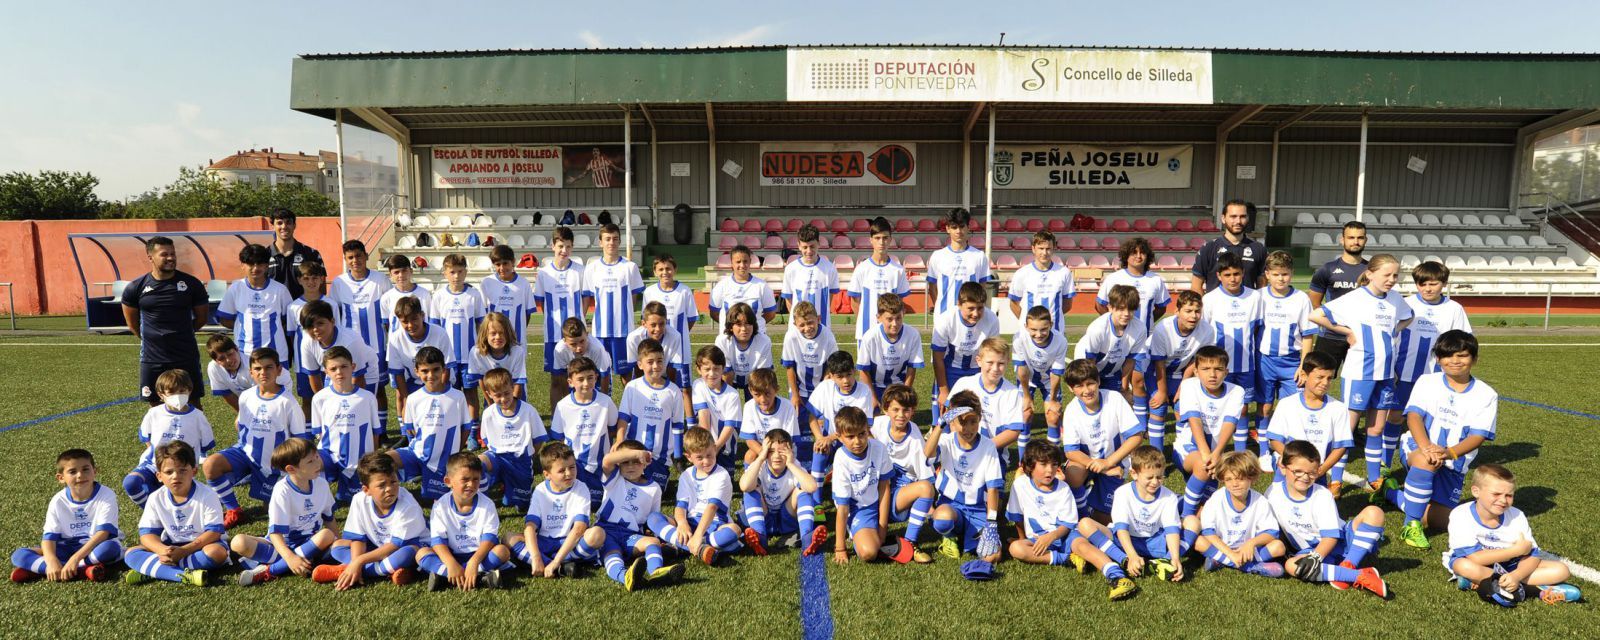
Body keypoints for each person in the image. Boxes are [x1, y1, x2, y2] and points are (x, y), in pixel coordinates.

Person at [1308, 254, 1414, 491]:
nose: (1391, 280)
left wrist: (1393, 331)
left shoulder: (1395, 298)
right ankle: (1335, 480)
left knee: (1376, 429)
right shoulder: (1355, 298)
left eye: (1395, 275)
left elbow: (1410, 316)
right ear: (1370, 273)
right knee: (1348, 428)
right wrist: (1345, 331)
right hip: (1360, 372)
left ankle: (1375, 479)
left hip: (1385, 374)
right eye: (1386, 275)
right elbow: (1315, 315)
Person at [1384, 330, 1497, 551]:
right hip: (1419, 448)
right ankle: (1411, 526)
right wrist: (1427, 448)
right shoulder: (1428, 382)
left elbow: (1478, 436)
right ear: (1438, 359)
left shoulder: (1486, 394)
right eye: (1448, 356)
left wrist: (1448, 453)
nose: (1455, 361)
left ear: (1474, 359)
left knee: (1444, 520)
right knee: (1427, 463)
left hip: (1453, 460)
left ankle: (1390, 493)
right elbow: (1414, 416)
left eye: (1462, 356)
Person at [1006, 440, 1139, 600]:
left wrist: (1052, 537)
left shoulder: (1063, 489)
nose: (1050, 470)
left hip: (1064, 536)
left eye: (1054, 465)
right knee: (1016, 549)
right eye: (1043, 465)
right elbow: (1017, 517)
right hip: (1037, 540)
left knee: (1081, 544)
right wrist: (1022, 539)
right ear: (1029, 466)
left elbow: (1067, 525)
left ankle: (1117, 576)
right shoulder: (1019, 485)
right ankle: (1068, 559)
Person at [1445, 464, 1581, 606]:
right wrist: (1516, 551)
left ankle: (1478, 582)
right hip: (1478, 564)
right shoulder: (1461, 514)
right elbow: (1476, 558)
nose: (1503, 500)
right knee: (1463, 566)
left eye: (1509, 495)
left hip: (1512, 567)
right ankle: (1535, 590)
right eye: (1496, 494)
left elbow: (1532, 556)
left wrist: (1517, 575)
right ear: (1476, 491)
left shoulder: (1517, 515)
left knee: (1562, 570)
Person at [1268, 440, 1389, 597]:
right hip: (1310, 549)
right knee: (1291, 565)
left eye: (1312, 473)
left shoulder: (1322, 495)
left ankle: (1349, 565)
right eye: (1298, 471)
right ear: (1283, 468)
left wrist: (1316, 558)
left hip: (1343, 543)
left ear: (1318, 471)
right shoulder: (1272, 493)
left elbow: (1331, 537)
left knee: (1375, 512)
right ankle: (1358, 575)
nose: (1305, 477)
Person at [509, 442, 638, 589]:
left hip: (571, 544)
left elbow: (579, 529)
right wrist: (536, 556)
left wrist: (557, 560)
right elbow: (530, 527)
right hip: (545, 542)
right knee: (509, 538)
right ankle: (558, 566)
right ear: (547, 475)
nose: (569, 473)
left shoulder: (581, 488)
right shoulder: (540, 490)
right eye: (561, 470)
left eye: (572, 467)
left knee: (597, 534)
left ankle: (556, 564)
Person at [204, 347, 307, 528]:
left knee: (274, 510)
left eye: (268, 368)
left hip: (273, 464)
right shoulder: (246, 396)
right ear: (251, 372)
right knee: (211, 465)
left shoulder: (287, 402)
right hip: (245, 453)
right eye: (258, 369)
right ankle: (234, 510)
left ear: (279, 369)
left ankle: (270, 487)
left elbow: (299, 440)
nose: (263, 372)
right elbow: (243, 427)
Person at [232, 437, 337, 585]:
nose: (318, 463)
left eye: (317, 457)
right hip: (281, 546)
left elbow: (329, 518)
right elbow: (275, 534)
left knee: (327, 535)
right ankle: (296, 562)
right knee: (238, 542)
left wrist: (339, 542)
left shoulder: (322, 484)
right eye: (310, 461)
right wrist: (290, 558)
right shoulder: (282, 490)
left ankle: (269, 571)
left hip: (311, 542)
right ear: (291, 469)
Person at [122, 441, 227, 586]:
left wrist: (183, 551)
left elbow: (214, 533)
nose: (176, 476)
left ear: (194, 471)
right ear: (159, 476)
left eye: (182, 470)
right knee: (130, 553)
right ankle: (183, 575)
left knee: (217, 553)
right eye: (169, 472)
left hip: (201, 546)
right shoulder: (155, 498)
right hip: (170, 546)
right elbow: (147, 535)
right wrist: (162, 550)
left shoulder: (207, 495)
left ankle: (156, 570)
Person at [1389, 260, 1474, 440]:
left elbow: (1462, 341)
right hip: (1404, 373)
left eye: (1433, 284)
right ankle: (1385, 462)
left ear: (1444, 283)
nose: (1427, 288)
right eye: (1422, 284)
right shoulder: (1406, 304)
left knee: (1432, 418)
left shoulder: (1454, 309)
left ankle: (1428, 454)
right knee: (1395, 416)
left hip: (1437, 375)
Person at [9, 449, 122, 583]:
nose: (80, 475)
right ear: (61, 478)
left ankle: (44, 571)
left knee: (110, 548)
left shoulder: (106, 495)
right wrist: (51, 561)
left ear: (94, 471)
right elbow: (49, 538)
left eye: (85, 469)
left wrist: (75, 559)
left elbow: (103, 534)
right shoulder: (58, 500)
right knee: (19, 555)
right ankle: (82, 570)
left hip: (95, 546)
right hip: (66, 548)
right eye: (72, 472)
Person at [313, 452, 424, 589]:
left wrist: (358, 562)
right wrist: (356, 562)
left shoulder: (408, 505)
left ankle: (345, 571)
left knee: (408, 552)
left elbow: (394, 546)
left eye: (394, 482)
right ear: (366, 490)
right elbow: (358, 539)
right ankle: (382, 570)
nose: (389, 489)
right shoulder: (359, 500)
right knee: (338, 546)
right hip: (377, 548)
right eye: (382, 485)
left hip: (404, 549)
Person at [122, 236, 209, 408]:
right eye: (164, 254)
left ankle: (196, 435)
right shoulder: (135, 287)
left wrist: (180, 334)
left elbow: (201, 319)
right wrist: (153, 339)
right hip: (152, 357)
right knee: (155, 404)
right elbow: (133, 324)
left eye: (173, 253)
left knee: (192, 403)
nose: (171, 258)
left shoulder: (191, 284)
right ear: (150, 257)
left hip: (185, 355)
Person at [1059, 359, 1143, 520]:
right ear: (1071, 388)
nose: (1086, 390)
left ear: (1098, 381)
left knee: (1104, 519)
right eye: (1079, 386)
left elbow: (1136, 437)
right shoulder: (1072, 410)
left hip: (1114, 462)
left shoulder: (1115, 398)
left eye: (1090, 383)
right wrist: (1102, 467)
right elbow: (1070, 451)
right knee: (1073, 474)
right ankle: (1082, 516)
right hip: (1087, 463)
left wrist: (1108, 463)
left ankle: (1091, 504)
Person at [924, 391, 1003, 561]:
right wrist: (940, 424)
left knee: (993, 556)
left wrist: (992, 522)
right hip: (952, 505)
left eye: (972, 422)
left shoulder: (988, 446)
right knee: (942, 518)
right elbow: (928, 453)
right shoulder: (946, 441)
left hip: (978, 510)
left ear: (980, 418)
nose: (968, 429)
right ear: (952, 421)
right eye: (962, 422)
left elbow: (993, 489)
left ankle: (970, 535)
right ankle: (949, 535)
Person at [416, 452, 512, 591]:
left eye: (476, 479)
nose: (471, 484)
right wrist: (451, 563)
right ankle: (480, 578)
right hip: (451, 555)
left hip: (480, 556)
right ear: (449, 482)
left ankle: (445, 577)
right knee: (421, 554)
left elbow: (489, 539)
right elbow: (438, 542)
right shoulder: (440, 506)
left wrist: (474, 562)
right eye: (465, 479)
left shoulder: (487, 504)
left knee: (502, 551)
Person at [649, 427, 746, 565]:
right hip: (690, 523)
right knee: (653, 518)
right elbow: (680, 506)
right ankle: (701, 549)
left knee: (734, 530)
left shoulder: (721, 475)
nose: (706, 461)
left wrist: (698, 535)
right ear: (689, 457)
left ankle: (681, 546)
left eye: (709, 455)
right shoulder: (686, 475)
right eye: (699, 457)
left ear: (714, 448)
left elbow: (712, 508)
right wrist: (682, 523)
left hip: (714, 524)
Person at [596, 440, 686, 587]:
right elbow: (607, 460)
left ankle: (657, 572)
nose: (631, 466)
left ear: (645, 463)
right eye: (625, 462)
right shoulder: (614, 479)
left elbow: (653, 518)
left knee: (653, 542)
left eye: (636, 461)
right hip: (606, 530)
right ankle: (625, 576)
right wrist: (638, 454)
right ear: (619, 463)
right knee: (613, 554)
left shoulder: (654, 488)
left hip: (631, 535)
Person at [824, 407, 907, 565]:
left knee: (923, 489)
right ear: (840, 437)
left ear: (867, 430)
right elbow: (842, 508)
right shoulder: (841, 459)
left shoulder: (878, 448)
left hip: (881, 501)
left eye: (862, 434)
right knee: (868, 553)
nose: (857, 441)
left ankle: (911, 539)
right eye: (850, 437)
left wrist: (883, 528)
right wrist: (840, 548)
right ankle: (858, 532)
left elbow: (884, 487)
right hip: (860, 510)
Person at [388, 346, 472, 501]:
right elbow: (410, 430)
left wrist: (455, 453)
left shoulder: (457, 397)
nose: (430, 375)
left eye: (435, 370)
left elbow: (465, 428)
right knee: (382, 462)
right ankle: (393, 495)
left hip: (443, 461)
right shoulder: (413, 398)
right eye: (425, 371)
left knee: (439, 502)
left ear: (444, 370)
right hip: (417, 454)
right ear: (417, 371)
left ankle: (431, 480)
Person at [1201, 252, 1264, 454]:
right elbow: (1205, 332)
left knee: (1243, 408)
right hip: (1218, 367)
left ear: (1243, 273)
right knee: (1215, 406)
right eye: (1227, 275)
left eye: (1236, 274)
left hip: (1246, 364)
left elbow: (1257, 329)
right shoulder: (1210, 299)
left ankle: (1239, 452)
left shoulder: (1254, 297)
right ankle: (1211, 448)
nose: (1233, 279)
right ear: (1219, 276)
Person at [124, 369, 215, 507]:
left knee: (177, 504)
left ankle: (166, 514)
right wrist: (159, 458)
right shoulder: (154, 413)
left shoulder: (198, 416)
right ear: (161, 395)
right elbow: (146, 437)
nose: (178, 396)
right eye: (172, 392)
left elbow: (206, 445)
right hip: (153, 464)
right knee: (131, 483)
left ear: (189, 391)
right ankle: (152, 511)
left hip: (181, 468)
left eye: (182, 391)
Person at [1255, 250, 1314, 463]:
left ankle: (1289, 449)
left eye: (1285, 274)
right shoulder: (1259, 297)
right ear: (1267, 274)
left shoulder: (1301, 299)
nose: (1281, 279)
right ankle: (1263, 450)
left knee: (1293, 406)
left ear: (1292, 274)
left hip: (1292, 362)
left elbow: (1307, 335)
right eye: (1276, 274)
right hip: (1264, 361)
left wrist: (1304, 365)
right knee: (1265, 405)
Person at [1174, 346, 1246, 518]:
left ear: (1226, 372)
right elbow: (1194, 420)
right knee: (1203, 467)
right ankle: (1185, 518)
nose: (1212, 374)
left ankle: (1176, 503)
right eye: (1206, 369)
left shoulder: (1237, 391)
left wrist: (1217, 454)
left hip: (1214, 453)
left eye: (1218, 369)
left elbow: (1230, 423)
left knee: (1206, 509)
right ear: (1196, 372)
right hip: (1187, 449)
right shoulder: (1188, 385)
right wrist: (1207, 455)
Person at [1187, 450, 1284, 577]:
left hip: (1247, 550)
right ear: (1222, 480)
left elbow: (1272, 533)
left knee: (1279, 546)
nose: (1234, 484)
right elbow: (1208, 532)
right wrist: (1230, 554)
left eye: (1240, 479)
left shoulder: (1260, 501)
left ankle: (1220, 561)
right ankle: (1250, 567)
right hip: (1222, 547)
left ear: (1251, 478)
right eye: (1229, 479)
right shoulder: (1216, 498)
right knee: (1199, 542)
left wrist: (1251, 543)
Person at [1263, 352, 1352, 490]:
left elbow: (1341, 446)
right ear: (1304, 375)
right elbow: (1274, 440)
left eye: (1329, 378)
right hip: (1288, 470)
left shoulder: (1338, 408)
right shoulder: (1287, 404)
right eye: (1320, 377)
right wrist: (1291, 462)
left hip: (1317, 472)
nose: (1325, 383)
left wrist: (1321, 470)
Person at [329, 239, 394, 430]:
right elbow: (335, 312)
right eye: (350, 257)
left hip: (376, 345)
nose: (355, 260)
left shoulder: (380, 280)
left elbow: (389, 309)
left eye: (358, 256)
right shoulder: (340, 282)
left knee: (379, 388)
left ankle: (380, 431)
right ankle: (356, 425)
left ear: (366, 256)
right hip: (349, 347)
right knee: (351, 387)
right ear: (345, 259)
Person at [870, 384, 936, 563]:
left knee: (926, 488)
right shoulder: (877, 424)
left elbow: (927, 479)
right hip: (875, 487)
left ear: (913, 411)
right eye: (895, 409)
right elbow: (857, 428)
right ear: (885, 410)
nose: (900, 415)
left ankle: (910, 543)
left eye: (906, 410)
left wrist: (930, 507)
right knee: (867, 546)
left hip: (898, 492)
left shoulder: (914, 438)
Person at [1140, 290, 1212, 452]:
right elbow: (1158, 363)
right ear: (1177, 311)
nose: (1193, 316)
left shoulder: (1207, 330)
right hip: (1156, 372)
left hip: (1182, 373)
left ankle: (1182, 452)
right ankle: (1156, 455)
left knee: (1184, 408)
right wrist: (1162, 392)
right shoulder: (1163, 329)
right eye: (1188, 311)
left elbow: (1195, 361)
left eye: (1197, 311)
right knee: (1159, 408)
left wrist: (1183, 388)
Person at [217, 243, 293, 393]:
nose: (255, 268)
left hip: (276, 353)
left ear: (266, 266)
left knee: (279, 395)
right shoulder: (236, 288)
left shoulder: (280, 290)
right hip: (245, 355)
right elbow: (224, 317)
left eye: (260, 263)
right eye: (250, 263)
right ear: (242, 266)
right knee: (249, 397)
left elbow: (288, 320)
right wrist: (244, 327)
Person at [311, 346, 382, 503]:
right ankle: (316, 497)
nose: (339, 372)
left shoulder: (367, 398)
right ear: (326, 372)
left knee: (358, 499)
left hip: (359, 459)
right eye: (333, 368)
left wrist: (373, 459)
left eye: (344, 366)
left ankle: (350, 483)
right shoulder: (320, 398)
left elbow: (375, 432)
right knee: (307, 465)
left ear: (353, 367)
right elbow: (319, 433)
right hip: (329, 455)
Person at [806, 350, 877, 504]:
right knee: (819, 450)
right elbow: (812, 417)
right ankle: (817, 504)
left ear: (854, 371)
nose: (846, 381)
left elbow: (859, 427)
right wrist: (820, 439)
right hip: (831, 440)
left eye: (849, 375)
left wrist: (829, 438)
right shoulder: (825, 387)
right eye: (840, 377)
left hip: (853, 440)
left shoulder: (864, 391)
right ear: (831, 376)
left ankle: (857, 496)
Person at [1110, 445, 1189, 583]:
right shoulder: (1122, 493)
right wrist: (1132, 555)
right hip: (1127, 541)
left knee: (1193, 522)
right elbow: (1121, 528)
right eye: (1150, 477)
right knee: (1086, 525)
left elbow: (1171, 530)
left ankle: (1167, 561)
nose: (1155, 482)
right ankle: (1124, 559)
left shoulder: (1168, 496)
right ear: (1134, 473)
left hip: (1155, 542)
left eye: (1159, 477)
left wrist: (1176, 558)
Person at [948, 337, 1030, 469]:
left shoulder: (1012, 393)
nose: (995, 368)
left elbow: (1013, 432)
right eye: (990, 362)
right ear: (979, 361)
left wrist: (981, 449)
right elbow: (951, 416)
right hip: (960, 451)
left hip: (993, 456)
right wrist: (961, 442)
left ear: (1008, 362)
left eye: (1001, 363)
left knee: (989, 489)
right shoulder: (964, 383)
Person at [739, 430, 823, 556]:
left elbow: (812, 487)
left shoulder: (794, 465)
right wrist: (761, 457)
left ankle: (807, 537)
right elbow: (744, 486)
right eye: (771, 451)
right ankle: (760, 537)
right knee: (751, 491)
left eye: (782, 451)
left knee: (803, 491)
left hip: (786, 518)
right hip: (764, 517)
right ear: (765, 452)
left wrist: (790, 463)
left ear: (790, 452)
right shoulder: (761, 465)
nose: (776, 456)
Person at [616, 339, 686, 486]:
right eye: (650, 362)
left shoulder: (673, 391)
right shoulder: (632, 387)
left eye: (660, 361)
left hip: (659, 458)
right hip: (633, 453)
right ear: (640, 364)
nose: (656, 366)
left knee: (653, 490)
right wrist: (619, 441)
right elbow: (623, 417)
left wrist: (678, 456)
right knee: (628, 487)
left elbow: (678, 425)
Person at [551, 356, 618, 507]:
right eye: (580, 379)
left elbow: (613, 429)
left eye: (590, 378)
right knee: (574, 503)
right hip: (575, 466)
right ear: (570, 382)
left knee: (596, 504)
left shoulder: (605, 402)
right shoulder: (563, 406)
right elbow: (559, 439)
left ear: (596, 378)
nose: (586, 383)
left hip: (600, 465)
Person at [476, 367, 548, 508]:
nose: (503, 399)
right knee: (477, 463)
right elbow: (486, 439)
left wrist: (528, 455)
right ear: (489, 394)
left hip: (520, 461)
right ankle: (482, 501)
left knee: (519, 505)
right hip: (497, 457)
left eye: (507, 393)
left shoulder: (528, 410)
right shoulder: (488, 413)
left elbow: (538, 440)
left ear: (512, 388)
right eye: (498, 395)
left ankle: (512, 489)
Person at [534, 226, 588, 402]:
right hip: (553, 334)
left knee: (579, 376)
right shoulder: (544, 273)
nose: (564, 251)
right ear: (553, 246)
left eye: (568, 247)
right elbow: (540, 302)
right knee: (556, 380)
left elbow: (586, 299)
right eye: (560, 246)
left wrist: (580, 320)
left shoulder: (580, 270)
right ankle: (558, 421)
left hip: (577, 336)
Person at [932, 282, 1000, 420]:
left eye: (980, 308)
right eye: (971, 308)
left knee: (978, 416)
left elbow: (992, 353)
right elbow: (937, 357)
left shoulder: (991, 318)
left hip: (978, 370)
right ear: (959, 304)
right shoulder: (945, 320)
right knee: (944, 418)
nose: (976, 313)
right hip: (951, 369)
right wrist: (943, 390)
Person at [1306, 220, 1368, 370]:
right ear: (1342, 240)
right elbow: (1314, 303)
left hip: (1360, 336)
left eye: (1360, 238)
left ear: (1365, 240)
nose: (1356, 242)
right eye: (1351, 237)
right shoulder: (1327, 269)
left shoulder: (1371, 271)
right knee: (1320, 378)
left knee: (1358, 380)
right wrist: (1332, 324)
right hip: (1330, 336)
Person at [780, 300, 835, 464]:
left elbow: (831, 364)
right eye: (802, 325)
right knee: (800, 427)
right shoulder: (791, 336)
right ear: (795, 324)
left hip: (821, 388)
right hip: (800, 389)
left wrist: (824, 387)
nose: (807, 328)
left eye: (810, 322)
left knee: (822, 427)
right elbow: (789, 367)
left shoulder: (827, 335)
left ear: (818, 319)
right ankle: (802, 462)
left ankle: (824, 464)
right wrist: (795, 395)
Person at [584, 223, 646, 367]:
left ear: (619, 241)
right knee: (600, 374)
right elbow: (587, 298)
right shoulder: (592, 269)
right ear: (600, 242)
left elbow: (634, 297)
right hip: (600, 331)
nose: (611, 242)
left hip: (624, 331)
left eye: (615, 238)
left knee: (626, 374)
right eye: (607, 239)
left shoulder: (630, 267)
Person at [428, 253, 486, 396]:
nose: (456, 276)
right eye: (452, 272)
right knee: (449, 394)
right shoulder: (439, 296)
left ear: (466, 272)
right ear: (445, 273)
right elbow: (434, 326)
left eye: (460, 272)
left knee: (471, 394)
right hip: (447, 357)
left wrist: (481, 346)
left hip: (469, 355)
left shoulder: (474, 294)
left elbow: (482, 323)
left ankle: (473, 420)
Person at [846, 217, 911, 343]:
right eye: (877, 238)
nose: (882, 242)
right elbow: (854, 301)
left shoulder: (898, 270)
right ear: (871, 240)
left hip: (890, 332)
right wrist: (864, 321)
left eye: (885, 238)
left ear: (890, 240)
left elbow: (900, 303)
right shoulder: (862, 268)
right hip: (866, 332)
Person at [1013, 305, 1071, 445]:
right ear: (1026, 326)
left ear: (1050, 325)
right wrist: (1027, 396)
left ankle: (1054, 462)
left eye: (1044, 329)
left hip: (1048, 381)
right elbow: (1022, 370)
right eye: (1033, 329)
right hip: (1027, 379)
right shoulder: (1019, 338)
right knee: (1025, 414)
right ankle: (1023, 464)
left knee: (1053, 416)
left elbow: (1056, 374)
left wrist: (1052, 400)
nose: (1038, 334)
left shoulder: (1060, 341)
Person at [1074, 284, 1146, 394]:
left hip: (1112, 370)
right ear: (1110, 307)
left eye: (1131, 309)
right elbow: (1090, 361)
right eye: (1121, 309)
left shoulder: (1140, 328)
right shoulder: (1098, 328)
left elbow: (1130, 360)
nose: (1126, 314)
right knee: (1091, 400)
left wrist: (1124, 387)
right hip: (1087, 367)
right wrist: (1092, 385)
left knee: (1116, 402)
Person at [857, 293, 925, 405]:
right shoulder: (869, 337)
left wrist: (905, 393)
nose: (895, 324)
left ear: (904, 313)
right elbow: (864, 371)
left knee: (901, 418)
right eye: (889, 319)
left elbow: (912, 368)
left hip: (899, 386)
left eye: (898, 318)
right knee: (871, 420)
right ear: (878, 318)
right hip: (874, 386)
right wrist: (872, 398)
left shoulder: (913, 334)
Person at [386, 296, 450, 414]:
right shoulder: (395, 339)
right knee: (400, 394)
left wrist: (438, 394)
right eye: (405, 322)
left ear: (422, 315)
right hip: (412, 382)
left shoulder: (440, 333)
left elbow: (447, 368)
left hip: (439, 380)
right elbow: (398, 374)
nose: (410, 325)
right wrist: (407, 401)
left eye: (414, 319)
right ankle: (406, 428)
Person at [287, 261, 336, 414]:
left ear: (321, 279)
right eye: (306, 278)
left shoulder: (331, 304)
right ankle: (308, 435)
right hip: (304, 362)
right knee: (308, 399)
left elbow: (336, 331)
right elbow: (291, 335)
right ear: (299, 280)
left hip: (329, 360)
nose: (311, 282)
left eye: (315, 278)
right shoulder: (293, 307)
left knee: (333, 397)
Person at [926, 207, 993, 318]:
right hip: (944, 316)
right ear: (948, 229)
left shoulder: (979, 256)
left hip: (970, 317)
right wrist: (940, 307)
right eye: (954, 227)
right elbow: (932, 288)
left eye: (962, 227)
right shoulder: (937, 256)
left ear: (968, 227)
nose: (958, 231)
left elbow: (982, 288)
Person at [643, 253, 699, 385]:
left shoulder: (684, 291)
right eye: (661, 269)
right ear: (655, 272)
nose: (665, 272)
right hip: (657, 347)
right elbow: (646, 320)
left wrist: (679, 335)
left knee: (684, 388)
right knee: (656, 383)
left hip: (680, 348)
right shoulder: (649, 292)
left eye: (668, 269)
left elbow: (691, 319)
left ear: (675, 270)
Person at [1189, 199, 1267, 292]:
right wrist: (1206, 306)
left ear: (1248, 218)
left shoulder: (1258, 249)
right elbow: (1196, 287)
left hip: (1247, 306)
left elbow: (1262, 288)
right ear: (1223, 218)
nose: (1238, 221)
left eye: (1242, 216)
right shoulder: (1208, 248)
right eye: (1233, 216)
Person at [1007, 231, 1076, 335]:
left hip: (1055, 332)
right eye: (1041, 248)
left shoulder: (1064, 272)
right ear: (1033, 249)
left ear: (1054, 249)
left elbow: (1067, 304)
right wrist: (1031, 323)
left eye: (1048, 249)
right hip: (1028, 334)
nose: (1044, 253)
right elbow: (1014, 304)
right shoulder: (1022, 273)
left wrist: (1050, 320)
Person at [1098, 237, 1169, 335]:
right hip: (1119, 336)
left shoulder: (1156, 279)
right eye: (1134, 252)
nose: (1138, 256)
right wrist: (1115, 322)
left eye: (1142, 253)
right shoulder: (1113, 278)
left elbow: (1161, 308)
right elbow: (1099, 305)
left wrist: (1147, 320)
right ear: (1126, 255)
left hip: (1146, 337)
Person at [693, 345, 744, 467]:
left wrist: (716, 448)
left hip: (725, 447)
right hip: (705, 445)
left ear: (723, 369)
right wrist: (707, 447)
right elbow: (703, 414)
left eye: (716, 369)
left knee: (725, 483)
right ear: (699, 369)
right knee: (704, 479)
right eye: (707, 369)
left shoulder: (732, 394)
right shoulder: (698, 385)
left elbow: (730, 426)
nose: (712, 373)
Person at [709, 244, 777, 335]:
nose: (742, 265)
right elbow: (714, 313)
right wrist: (732, 327)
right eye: (738, 262)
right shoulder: (721, 286)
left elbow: (771, 313)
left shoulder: (762, 286)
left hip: (756, 337)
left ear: (750, 262)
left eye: (745, 261)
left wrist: (755, 325)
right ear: (732, 263)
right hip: (729, 338)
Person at [781, 224, 840, 327]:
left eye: (812, 246)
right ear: (798, 245)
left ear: (819, 244)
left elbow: (830, 297)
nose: (809, 251)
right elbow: (788, 299)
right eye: (805, 247)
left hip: (822, 325)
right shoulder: (791, 269)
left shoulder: (829, 268)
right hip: (798, 328)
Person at [465, 312, 528, 406]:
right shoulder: (476, 352)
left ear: (508, 333)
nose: (498, 337)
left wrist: (512, 407)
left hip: (515, 398)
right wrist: (492, 406)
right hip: (493, 399)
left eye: (502, 333)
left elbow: (518, 384)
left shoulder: (517, 351)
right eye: (493, 333)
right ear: (485, 334)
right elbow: (482, 380)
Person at [480, 244, 537, 345]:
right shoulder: (487, 283)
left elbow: (527, 314)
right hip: (494, 341)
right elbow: (482, 314)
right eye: (498, 264)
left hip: (517, 340)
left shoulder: (523, 283)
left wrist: (519, 330)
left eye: (505, 263)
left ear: (513, 262)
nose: (502, 268)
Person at [264, 207, 324, 300]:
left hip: (304, 311)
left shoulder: (311, 254)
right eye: (279, 223)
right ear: (273, 226)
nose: (284, 226)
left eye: (288, 222)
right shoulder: (264, 255)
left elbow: (321, 285)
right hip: (274, 311)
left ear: (294, 225)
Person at [738, 368, 794, 466]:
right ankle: (754, 480)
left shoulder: (787, 406)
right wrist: (764, 454)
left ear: (776, 390)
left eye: (767, 394)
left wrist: (774, 455)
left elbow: (789, 440)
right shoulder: (749, 406)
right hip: (762, 450)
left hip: (782, 449)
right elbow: (750, 440)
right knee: (750, 455)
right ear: (750, 391)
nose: (763, 399)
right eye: (757, 394)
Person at [379, 254, 431, 357]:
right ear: (390, 275)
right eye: (396, 272)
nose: (401, 275)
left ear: (411, 271)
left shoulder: (424, 294)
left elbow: (428, 321)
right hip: (396, 349)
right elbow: (386, 325)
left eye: (404, 271)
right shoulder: (386, 297)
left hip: (421, 348)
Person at [713, 302, 772, 393]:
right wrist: (729, 398)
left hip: (755, 377)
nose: (744, 329)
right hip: (730, 377)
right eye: (739, 324)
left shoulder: (764, 341)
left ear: (754, 324)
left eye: (748, 324)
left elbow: (762, 375)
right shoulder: (722, 341)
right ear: (731, 326)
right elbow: (726, 373)